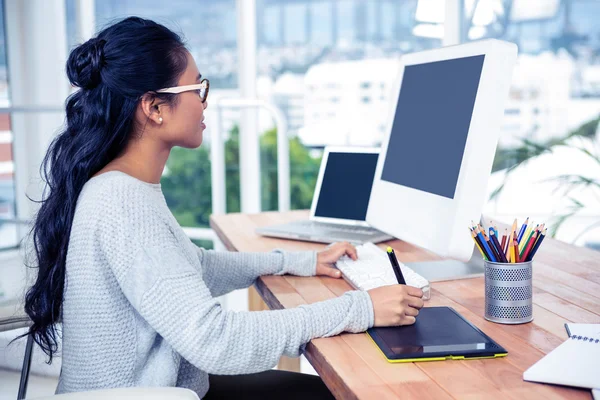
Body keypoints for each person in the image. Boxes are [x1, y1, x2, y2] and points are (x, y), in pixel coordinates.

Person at [21, 17, 424, 399]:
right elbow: (216, 341)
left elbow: (192, 266)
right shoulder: (122, 202)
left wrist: (302, 262)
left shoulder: (122, 187)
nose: (204, 102)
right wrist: (362, 307)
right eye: (197, 89)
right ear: (154, 108)